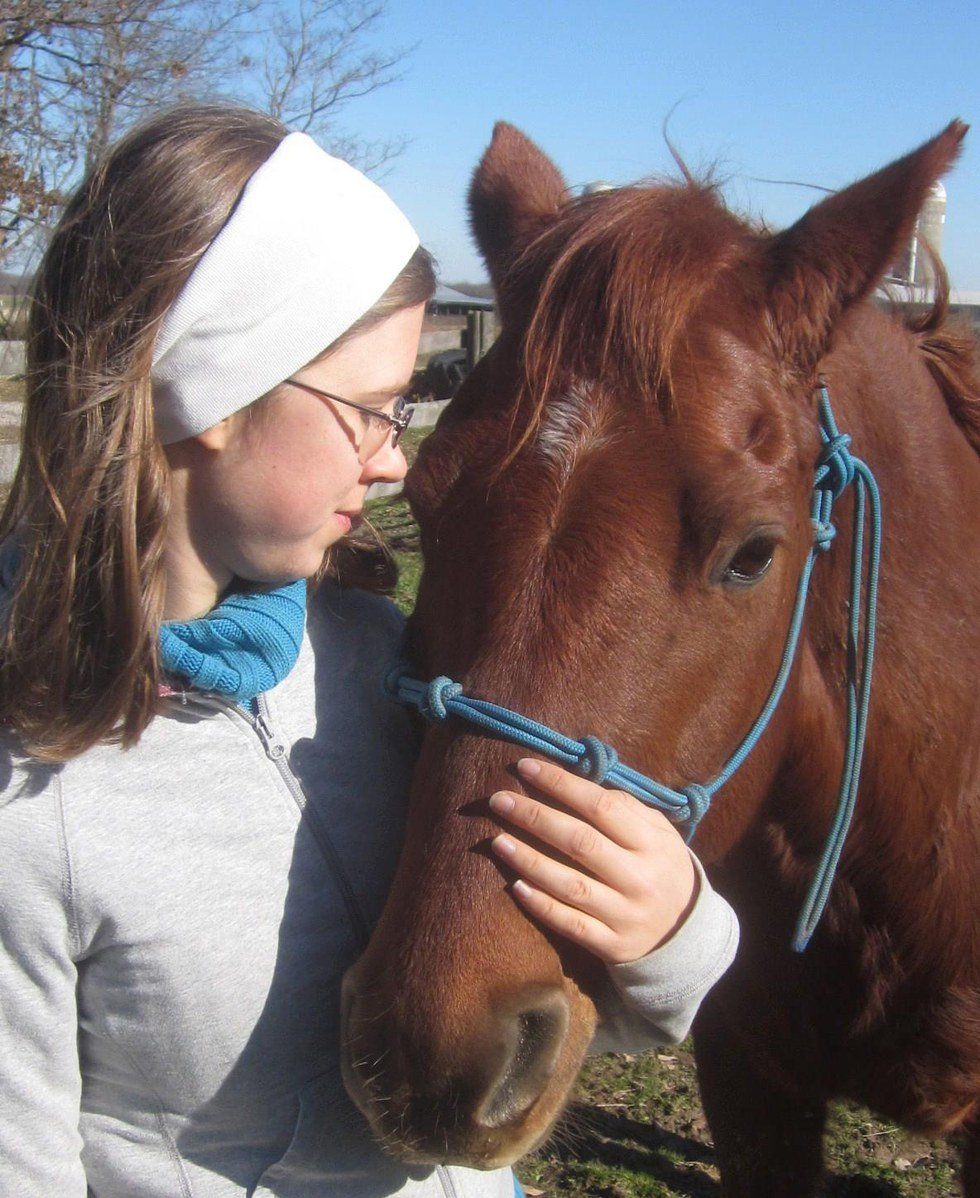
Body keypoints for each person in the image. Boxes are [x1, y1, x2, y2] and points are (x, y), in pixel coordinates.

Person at [0, 104, 739, 1197]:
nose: (395, 463)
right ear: (213, 390)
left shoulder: (381, 665)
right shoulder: (30, 801)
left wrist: (669, 928)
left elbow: (532, 1016)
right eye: (376, 409)